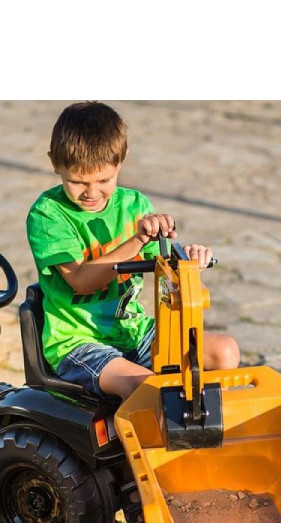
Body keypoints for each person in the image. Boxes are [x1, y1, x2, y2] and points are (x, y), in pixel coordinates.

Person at [26, 101, 240, 406]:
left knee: (224, 351)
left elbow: (162, 267)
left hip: (134, 331)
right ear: (54, 163)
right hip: (79, 343)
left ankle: (212, 431)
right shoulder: (48, 214)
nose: (92, 192)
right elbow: (81, 281)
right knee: (148, 389)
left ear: (121, 162)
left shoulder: (134, 205)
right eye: (77, 182)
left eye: (104, 180)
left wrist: (188, 263)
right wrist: (137, 239)